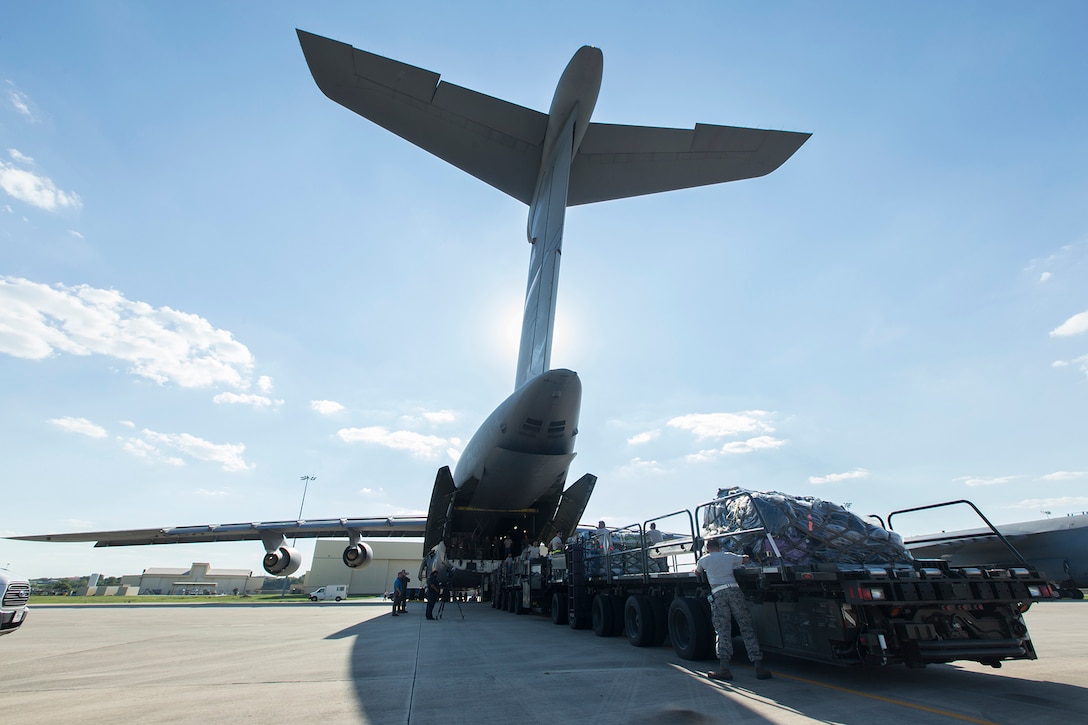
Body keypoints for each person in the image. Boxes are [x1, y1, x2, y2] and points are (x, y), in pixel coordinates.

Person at [694, 537, 771, 681]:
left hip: (719, 593)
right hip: (735, 591)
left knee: (723, 629)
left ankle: (724, 668)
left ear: (707, 548)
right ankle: (758, 666)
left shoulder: (704, 560)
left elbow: (697, 572)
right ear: (719, 546)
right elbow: (745, 560)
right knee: (746, 626)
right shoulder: (728, 556)